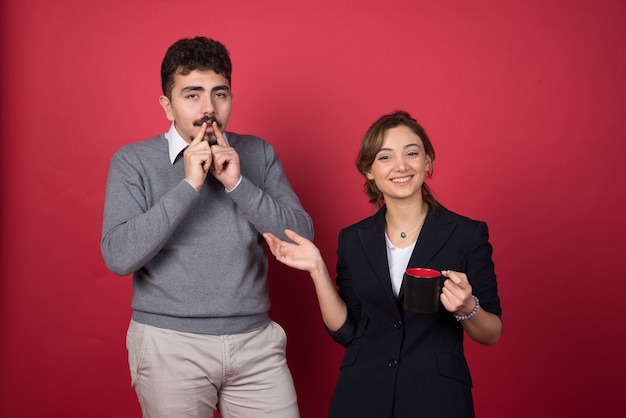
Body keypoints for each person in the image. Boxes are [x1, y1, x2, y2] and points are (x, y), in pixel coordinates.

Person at [101, 36, 313, 418]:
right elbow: (118, 256)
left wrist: (237, 184)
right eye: (192, 95)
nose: (209, 108)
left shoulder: (257, 153)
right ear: (167, 106)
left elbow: (302, 238)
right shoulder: (132, 161)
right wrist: (188, 186)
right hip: (170, 344)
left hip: (255, 343)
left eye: (220, 94)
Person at [264, 110, 503, 418]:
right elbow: (347, 331)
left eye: (412, 153)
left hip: (437, 398)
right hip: (362, 394)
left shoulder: (467, 234)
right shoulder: (353, 239)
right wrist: (317, 269)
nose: (401, 166)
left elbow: (492, 333)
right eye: (385, 157)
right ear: (369, 171)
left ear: (427, 162)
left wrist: (466, 307)